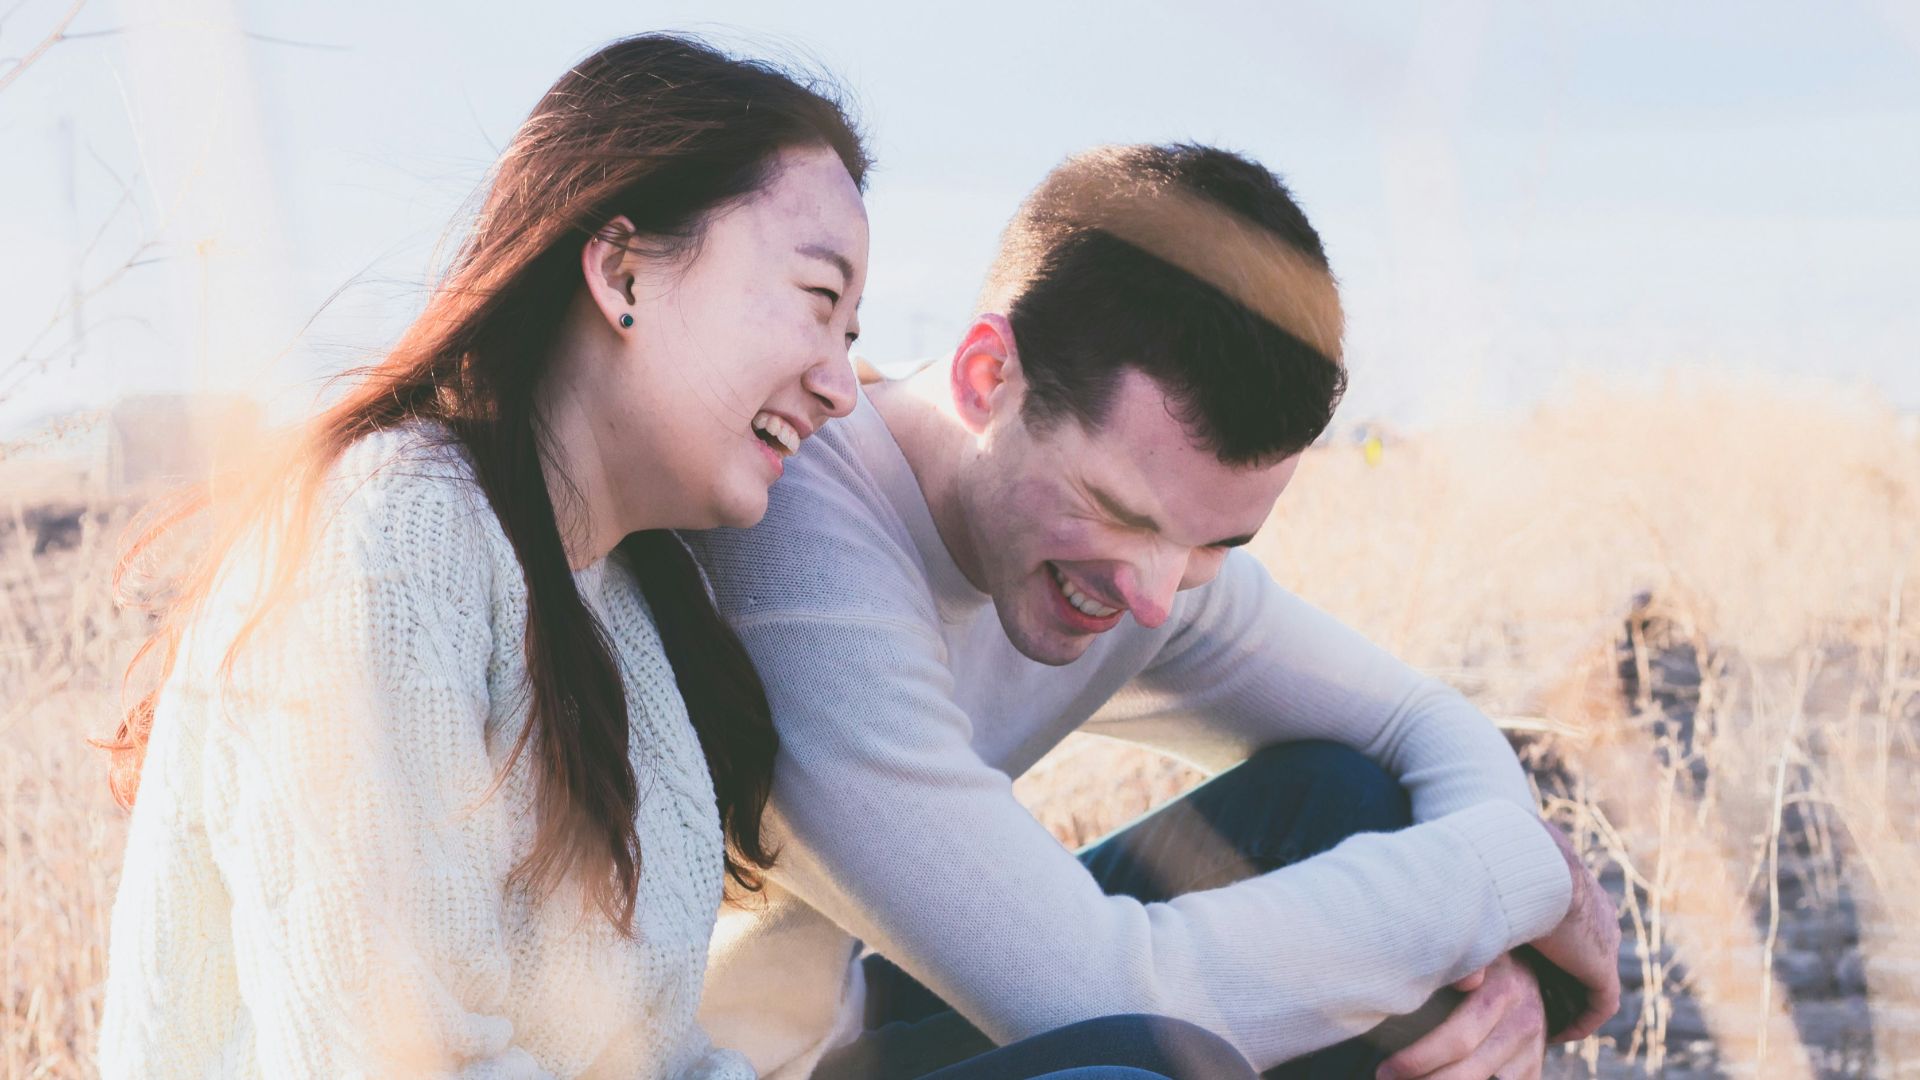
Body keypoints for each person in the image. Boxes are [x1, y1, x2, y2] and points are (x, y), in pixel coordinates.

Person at [94, 35, 1248, 1080]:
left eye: (852, 337)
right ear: (623, 271)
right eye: (813, 302)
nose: (841, 382)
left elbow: (658, 1056)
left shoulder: (626, 602)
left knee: (1163, 1055)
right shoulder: (395, 538)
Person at [683, 143, 1623, 1080]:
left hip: (852, 1021)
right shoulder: (796, 532)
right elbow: (1097, 995)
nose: (1155, 594)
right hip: (722, 1063)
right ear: (986, 378)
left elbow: (1418, 720)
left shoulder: (1140, 561)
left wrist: (1493, 958)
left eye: (1216, 544)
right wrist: (1512, 882)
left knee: (1350, 802)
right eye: (1122, 513)